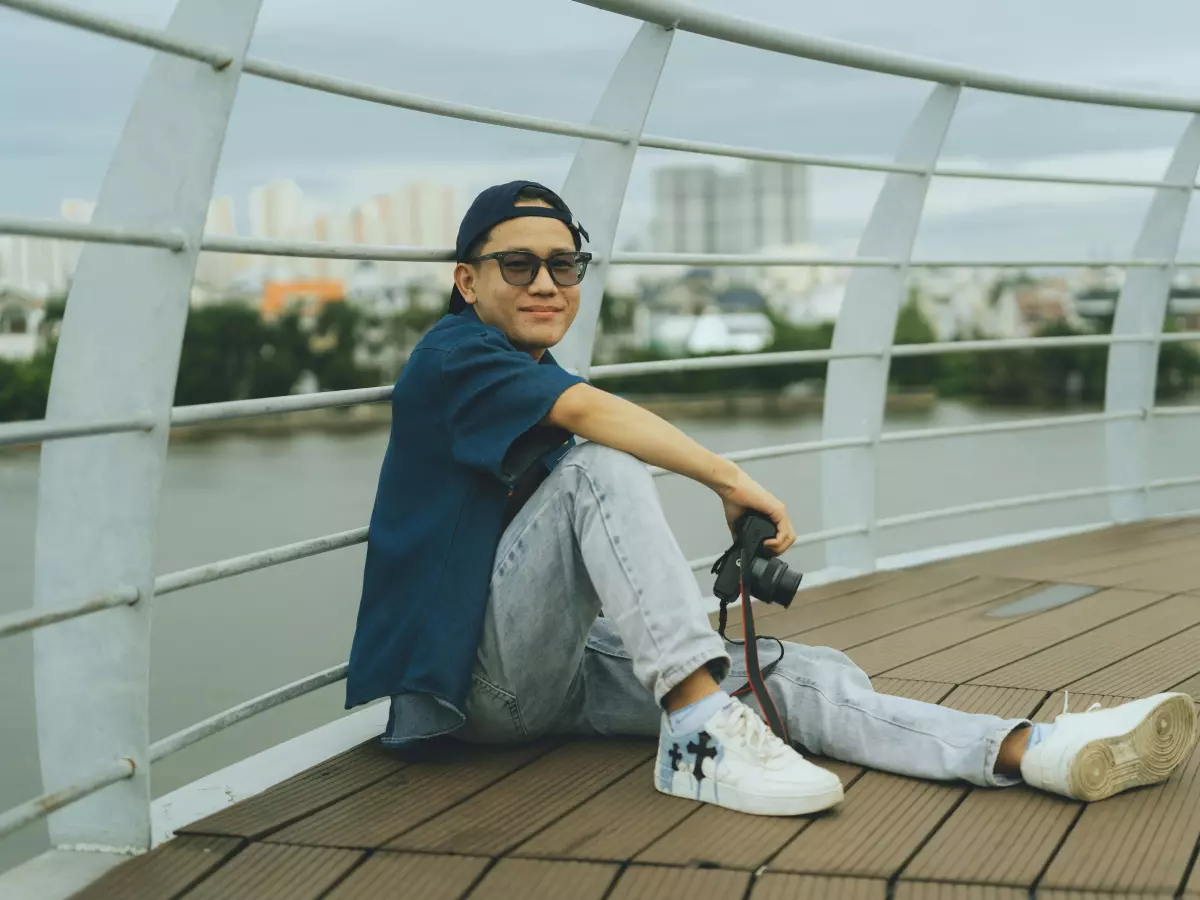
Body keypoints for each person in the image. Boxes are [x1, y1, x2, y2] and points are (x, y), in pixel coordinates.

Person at [346, 180, 1198, 816]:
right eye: (517, 264)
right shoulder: (453, 357)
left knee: (789, 675)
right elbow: (591, 420)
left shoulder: (527, 368)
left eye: (563, 262)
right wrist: (729, 477)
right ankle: (699, 731)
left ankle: (1029, 749)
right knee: (596, 467)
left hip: (552, 675)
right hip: (472, 690)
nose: (545, 281)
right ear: (466, 280)